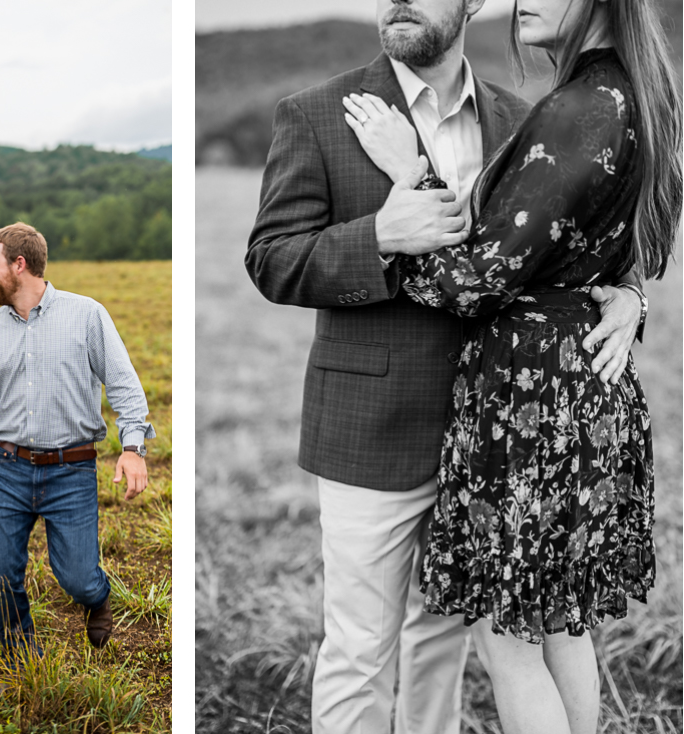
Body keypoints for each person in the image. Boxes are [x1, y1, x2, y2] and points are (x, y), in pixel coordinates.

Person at [244, 0, 646, 732]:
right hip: (372, 432)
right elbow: (271, 260)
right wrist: (378, 236)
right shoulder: (317, 112)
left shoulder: (521, 114)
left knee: (443, 639)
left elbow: (566, 239)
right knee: (361, 646)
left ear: (472, 3)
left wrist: (629, 296)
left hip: (499, 440)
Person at [342, 0, 680, 731]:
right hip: (581, 388)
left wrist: (411, 172)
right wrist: (625, 294)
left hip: (532, 403)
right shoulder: (629, 93)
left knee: (511, 636)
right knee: (561, 625)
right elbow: (603, 248)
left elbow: (473, 281)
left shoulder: (580, 106)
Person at [0, 222, 154, 670]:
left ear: (20, 264)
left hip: (71, 471)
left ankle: (97, 597)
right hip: (9, 468)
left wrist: (132, 447)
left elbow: (124, 385)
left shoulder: (86, 315)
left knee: (77, 579)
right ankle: (22, 656)